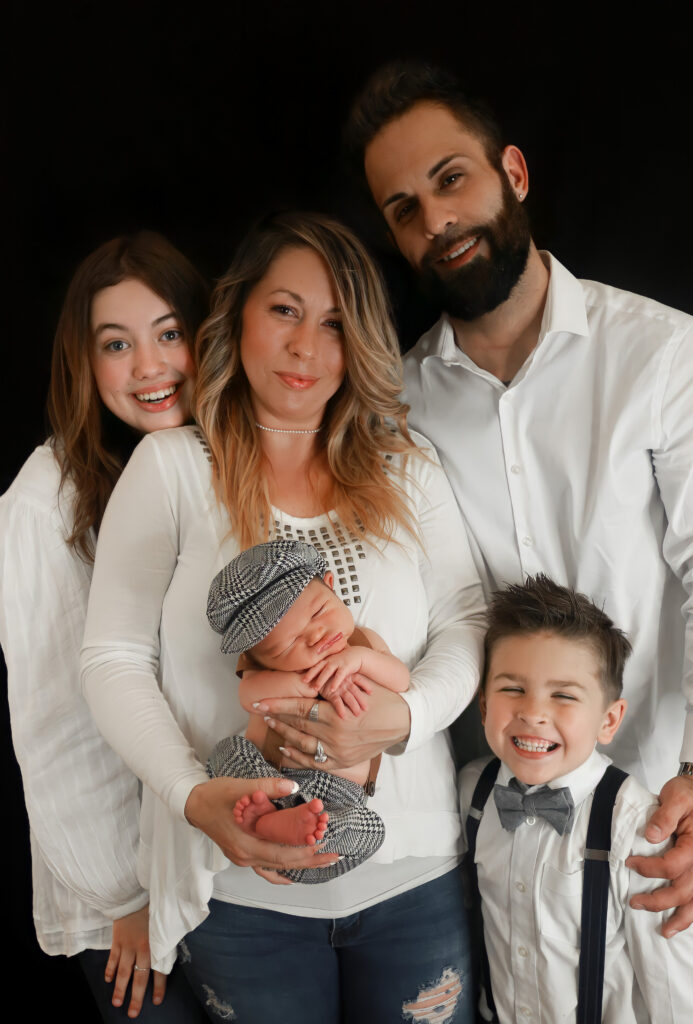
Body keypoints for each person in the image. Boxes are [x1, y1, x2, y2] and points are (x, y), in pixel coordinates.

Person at [81, 211, 486, 1024]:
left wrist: (401, 717)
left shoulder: (406, 468)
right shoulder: (173, 469)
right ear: (238, 316)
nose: (306, 346)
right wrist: (193, 797)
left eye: (335, 322)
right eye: (285, 311)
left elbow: (468, 619)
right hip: (239, 896)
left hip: (413, 879)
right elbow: (112, 656)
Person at [345, 60, 693, 934]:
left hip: (666, 816)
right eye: (403, 209)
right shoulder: (393, 404)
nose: (436, 220)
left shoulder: (662, 356)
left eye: (450, 179)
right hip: (495, 841)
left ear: (511, 172)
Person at [0, 233, 211, 1020]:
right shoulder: (46, 500)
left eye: (168, 333)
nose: (149, 366)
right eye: (116, 344)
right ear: (84, 364)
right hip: (124, 897)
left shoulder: (212, 462)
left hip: (209, 863)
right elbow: (56, 729)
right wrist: (127, 892)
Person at [459, 576, 693, 1023]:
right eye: (512, 689)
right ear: (482, 705)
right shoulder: (470, 793)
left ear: (608, 720)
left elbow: (678, 997)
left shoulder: (640, 828)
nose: (533, 713)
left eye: (564, 696)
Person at [205, 538, 411, 880]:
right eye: (289, 643)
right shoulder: (266, 673)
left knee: (368, 830)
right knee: (224, 755)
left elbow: (402, 681)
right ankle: (272, 820)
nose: (316, 635)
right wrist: (314, 683)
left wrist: (359, 660)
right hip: (268, 777)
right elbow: (249, 696)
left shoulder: (365, 644)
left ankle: (285, 828)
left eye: (318, 612)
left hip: (338, 794)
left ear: (331, 586)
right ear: (255, 658)